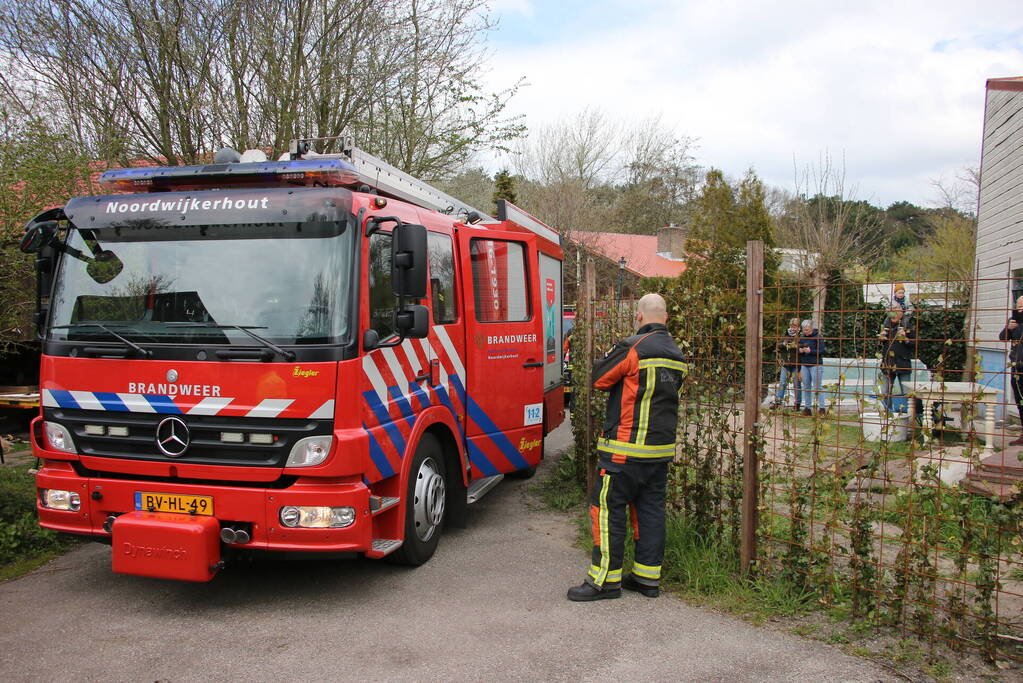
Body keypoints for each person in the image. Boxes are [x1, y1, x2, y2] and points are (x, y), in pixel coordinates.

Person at [567, 293, 687, 602]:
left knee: (607, 511)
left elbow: (600, 379)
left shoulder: (633, 347)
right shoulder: (678, 355)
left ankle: (604, 582)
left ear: (638, 316)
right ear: (666, 318)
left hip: (624, 451)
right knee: (650, 512)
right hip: (659, 453)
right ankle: (647, 579)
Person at [878, 304, 916, 411]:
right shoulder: (885, 325)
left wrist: (905, 338)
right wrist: (881, 339)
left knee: (907, 393)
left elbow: (915, 344)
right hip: (887, 363)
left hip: (903, 363)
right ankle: (887, 414)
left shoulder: (907, 326)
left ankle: (906, 416)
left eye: (897, 311)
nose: (894, 313)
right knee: (885, 392)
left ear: (901, 313)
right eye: (892, 311)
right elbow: (878, 346)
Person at [998, 295, 1023, 445]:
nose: (1019, 310)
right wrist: (1009, 328)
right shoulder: (1013, 321)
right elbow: (1002, 337)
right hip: (1016, 366)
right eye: (1018, 307)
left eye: (1022, 307)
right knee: (1020, 401)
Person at [770, 317, 802, 411]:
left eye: (795, 326)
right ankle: (778, 402)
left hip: (797, 364)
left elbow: (802, 345)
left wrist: (795, 345)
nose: (792, 328)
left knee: (797, 384)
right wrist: (783, 344)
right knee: (782, 383)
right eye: (791, 326)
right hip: (786, 364)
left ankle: (797, 404)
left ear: (798, 327)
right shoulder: (785, 334)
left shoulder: (801, 335)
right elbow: (777, 345)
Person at [798, 319, 826, 416]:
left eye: (807, 330)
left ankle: (822, 408)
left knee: (817, 387)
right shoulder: (801, 337)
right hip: (804, 365)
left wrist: (811, 351)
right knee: (806, 387)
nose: (806, 332)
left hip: (816, 365)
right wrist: (800, 351)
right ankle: (807, 408)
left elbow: (822, 351)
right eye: (804, 330)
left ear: (812, 328)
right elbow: (798, 350)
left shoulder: (818, 337)